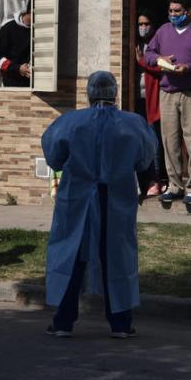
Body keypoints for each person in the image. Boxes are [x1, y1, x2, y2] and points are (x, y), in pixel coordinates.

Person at [42, 71, 157, 338]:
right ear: (115, 92)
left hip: (77, 198)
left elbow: (54, 157)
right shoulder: (132, 123)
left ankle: (63, 321)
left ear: (89, 92)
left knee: (70, 255)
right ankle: (121, 323)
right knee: (117, 256)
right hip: (115, 198)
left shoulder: (71, 122)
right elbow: (144, 159)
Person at [143, 0, 191, 207]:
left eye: (178, 11)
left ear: (188, 11)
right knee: (170, 141)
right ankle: (175, 186)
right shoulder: (163, 31)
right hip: (167, 92)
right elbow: (149, 54)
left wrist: (189, 68)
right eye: (171, 11)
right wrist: (159, 59)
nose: (173, 14)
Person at [134, 8, 166, 197]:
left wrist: (142, 62)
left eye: (146, 24)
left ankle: (156, 180)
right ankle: (143, 179)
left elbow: (162, 69)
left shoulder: (158, 44)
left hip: (153, 100)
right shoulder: (136, 43)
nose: (143, 28)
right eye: (140, 24)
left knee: (153, 140)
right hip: (137, 99)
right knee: (139, 140)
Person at [0, 3, 32, 86]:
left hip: (37, 83)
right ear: (30, 11)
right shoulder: (8, 29)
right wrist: (18, 68)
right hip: (13, 83)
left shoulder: (41, 30)